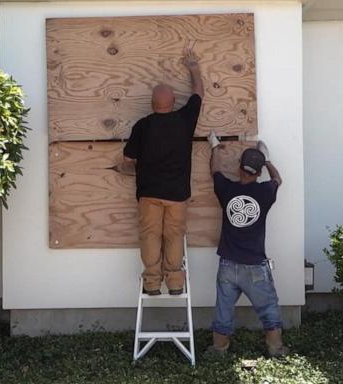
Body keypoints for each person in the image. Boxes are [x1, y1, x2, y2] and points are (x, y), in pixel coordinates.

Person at [122, 48, 204, 296]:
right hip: (177, 194)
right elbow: (199, 93)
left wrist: (135, 167)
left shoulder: (142, 126)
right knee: (174, 236)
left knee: (150, 236)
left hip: (149, 193)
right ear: (173, 103)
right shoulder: (185, 120)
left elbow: (128, 160)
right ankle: (176, 283)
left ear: (152, 104)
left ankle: (152, 283)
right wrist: (193, 67)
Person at [207, 132, 289, 357]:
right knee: (268, 309)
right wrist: (268, 159)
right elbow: (278, 180)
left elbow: (214, 171)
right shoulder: (264, 192)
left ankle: (218, 349)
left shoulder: (226, 189)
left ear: (239, 167)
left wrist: (214, 148)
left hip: (228, 264)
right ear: (259, 172)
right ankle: (276, 349)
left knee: (223, 309)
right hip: (254, 265)